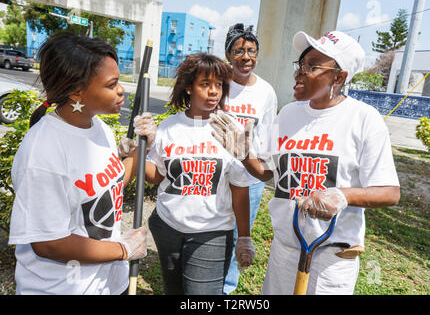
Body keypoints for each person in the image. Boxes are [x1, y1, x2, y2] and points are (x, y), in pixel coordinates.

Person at [210, 30, 400, 295]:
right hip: (284, 252)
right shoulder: (288, 113)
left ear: (340, 77)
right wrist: (244, 153)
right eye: (300, 64)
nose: (300, 72)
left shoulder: (364, 119)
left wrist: (342, 196)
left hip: (330, 261)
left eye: (312, 66)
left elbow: (389, 192)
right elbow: (267, 172)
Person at [8, 31, 153, 295]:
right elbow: (48, 242)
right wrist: (123, 249)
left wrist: (143, 148)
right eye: (111, 84)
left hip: (109, 284)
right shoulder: (42, 150)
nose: (121, 90)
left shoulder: (98, 127)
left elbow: (110, 189)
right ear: (77, 92)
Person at [141, 52, 255, 295]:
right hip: (167, 227)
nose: (214, 91)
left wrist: (244, 238)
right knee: (174, 291)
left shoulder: (230, 128)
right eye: (205, 84)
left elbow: (239, 187)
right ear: (189, 88)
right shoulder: (169, 126)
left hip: (211, 233)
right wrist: (138, 151)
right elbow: (156, 176)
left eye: (219, 85)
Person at [222, 23, 278, 295]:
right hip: (214, 174)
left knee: (238, 234)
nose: (246, 57)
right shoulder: (217, 83)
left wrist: (261, 171)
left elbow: (267, 138)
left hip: (249, 177)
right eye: (239, 51)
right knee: (211, 228)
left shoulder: (266, 92)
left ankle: (227, 288)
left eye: (252, 51)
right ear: (228, 54)